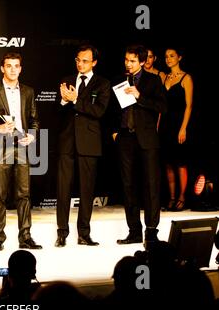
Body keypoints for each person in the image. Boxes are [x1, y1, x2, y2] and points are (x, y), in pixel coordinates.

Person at [0, 52, 42, 251]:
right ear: (2, 68)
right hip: (0, 148)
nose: (13, 69)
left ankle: (25, 237)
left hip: (22, 146)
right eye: (9, 65)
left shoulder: (28, 91)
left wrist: (32, 134)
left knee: (24, 194)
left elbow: (34, 119)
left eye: (16, 66)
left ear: (20, 69)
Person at [55, 44, 110, 247]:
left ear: (94, 62)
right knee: (63, 190)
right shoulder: (67, 81)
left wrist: (75, 99)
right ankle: (61, 233)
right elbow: (56, 113)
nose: (80, 64)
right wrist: (62, 101)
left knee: (87, 190)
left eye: (85, 60)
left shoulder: (102, 84)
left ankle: (84, 233)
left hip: (89, 143)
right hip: (67, 143)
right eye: (78, 60)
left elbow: (99, 112)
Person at [112, 45, 167, 245]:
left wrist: (139, 97)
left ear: (143, 62)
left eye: (133, 61)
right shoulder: (119, 80)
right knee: (128, 185)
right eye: (126, 60)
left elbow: (162, 107)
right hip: (125, 138)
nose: (128, 64)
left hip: (147, 139)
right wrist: (115, 132)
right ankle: (134, 230)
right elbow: (113, 108)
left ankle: (151, 231)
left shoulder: (153, 80)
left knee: (151, 184)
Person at [159, 47, 194, 211]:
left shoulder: (186, 78)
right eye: (166, 56)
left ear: (180, 57)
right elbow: (161, 106)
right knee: (168, 164)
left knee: (180, 162)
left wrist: (183, 128)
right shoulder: (164, 78)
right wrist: (158, 125)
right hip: (165, 123)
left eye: (172, 56)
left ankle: (182, 197)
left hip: (179, 123)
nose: (168, 59)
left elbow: (188, 106)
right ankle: (172, 197)